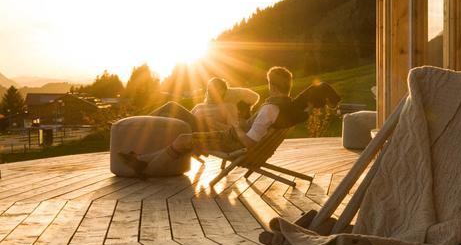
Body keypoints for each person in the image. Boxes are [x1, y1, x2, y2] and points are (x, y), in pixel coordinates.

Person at [119, 66, 339, 177]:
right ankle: (143, 160)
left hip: (231, 141)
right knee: (183, 136)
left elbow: (250, 143)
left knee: (184, 138)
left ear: (271, 84)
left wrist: (235, 126)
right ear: (289, 86)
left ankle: (145, 168)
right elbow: (307, 97)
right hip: (231, 136)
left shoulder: (270, 109)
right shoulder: (287, 107)